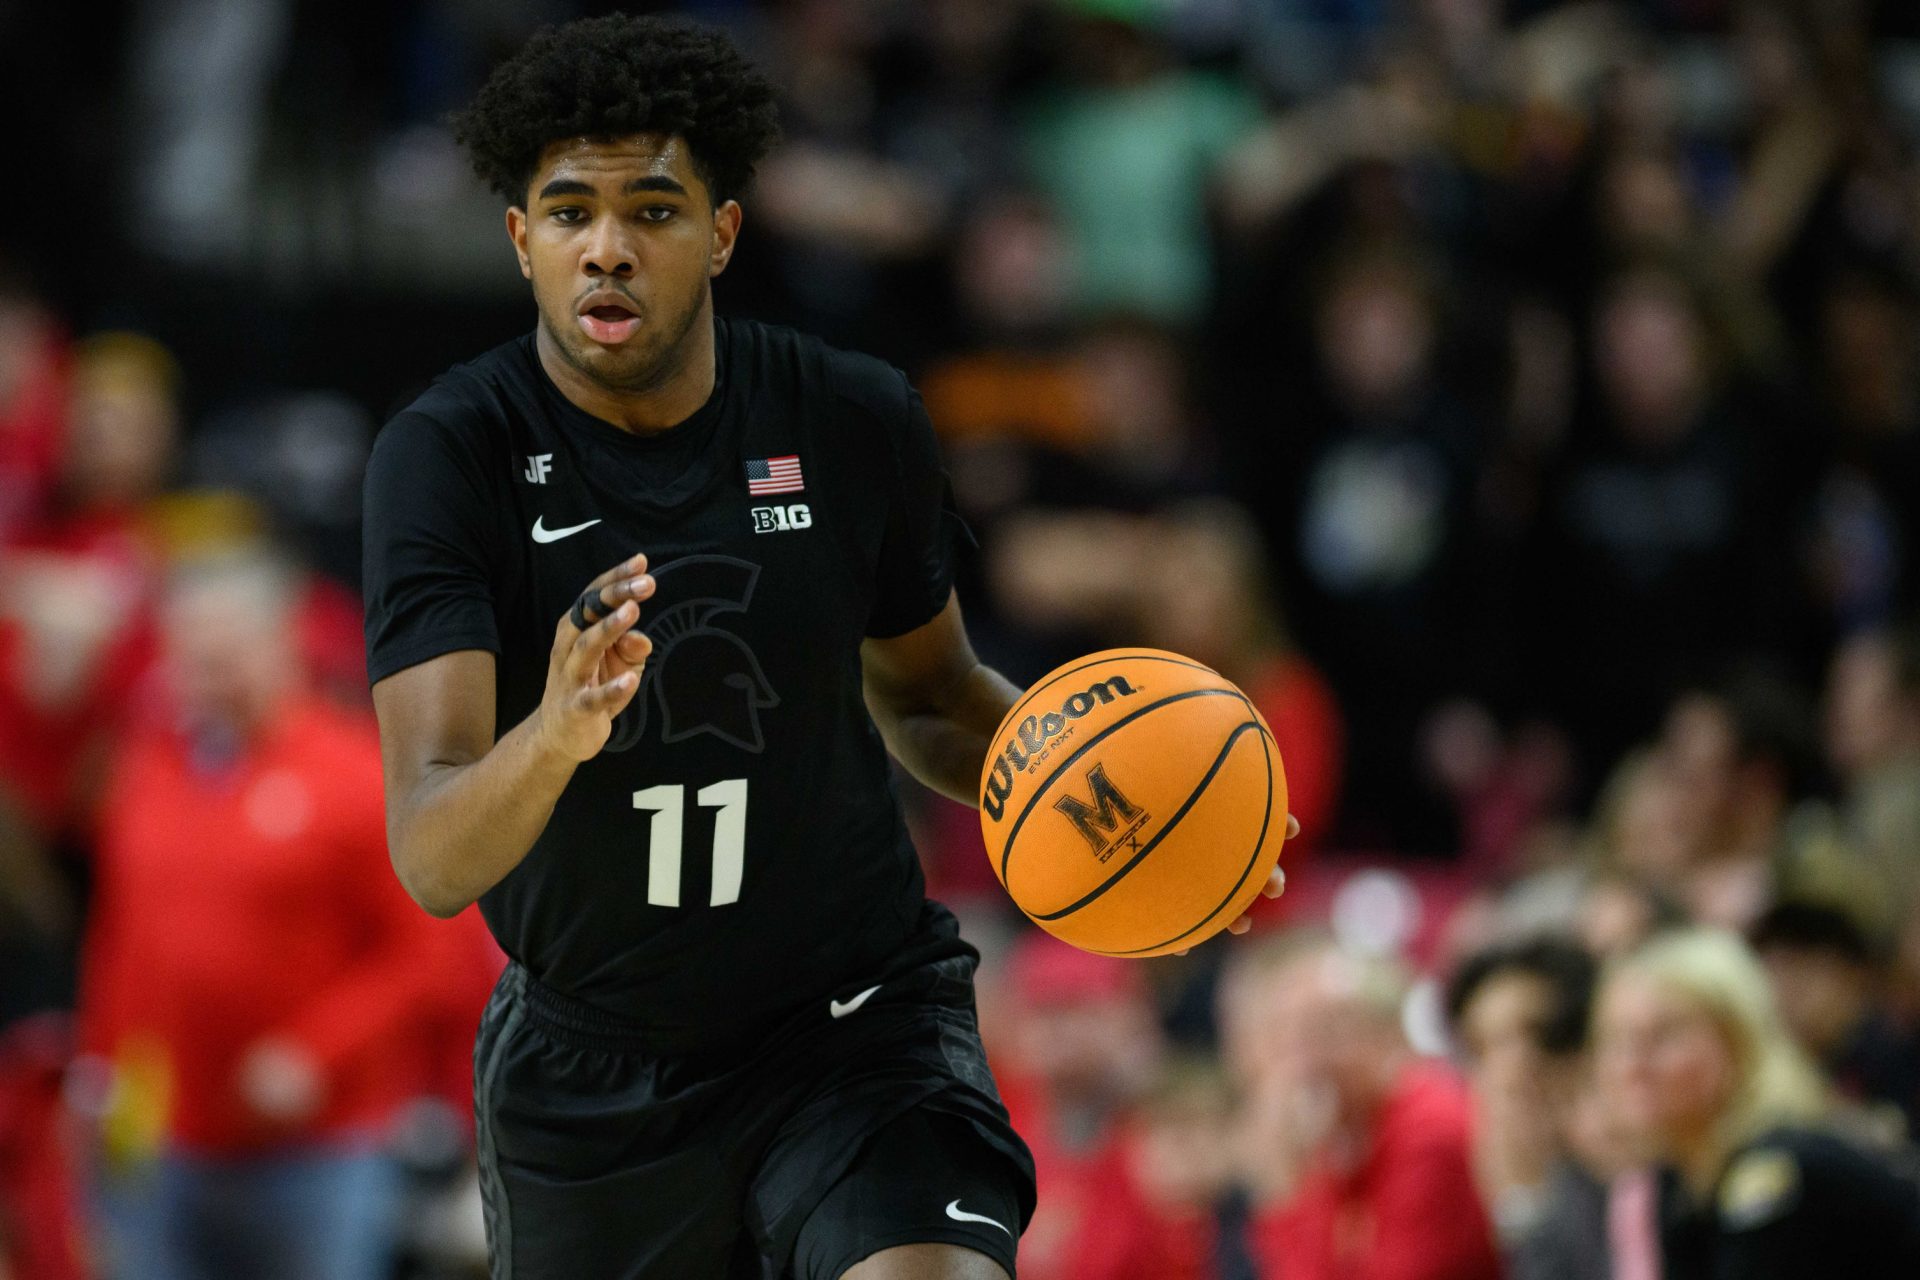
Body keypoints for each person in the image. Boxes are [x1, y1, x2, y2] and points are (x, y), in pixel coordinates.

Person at [359, 16, 1291, 1280]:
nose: (610, 248)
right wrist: (557, 730)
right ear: (522, 241)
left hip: (855, 1022)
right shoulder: (446, 454)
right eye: (570, 211)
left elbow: (936, 697)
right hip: (595, 1071)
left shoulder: (850, 415)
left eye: (654, 209)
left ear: (725, 232)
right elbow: (431, 849)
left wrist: (1141, 819)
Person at [75, 550, 485, 1280]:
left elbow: (432, 953)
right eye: (191, 659)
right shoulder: (149, 765)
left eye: (224, 657)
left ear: (283, 642)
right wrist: (101, 1063)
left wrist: (315, 1050)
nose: (205, 680)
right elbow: (125, 933)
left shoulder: (354, 774)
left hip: (321, 1148)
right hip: (170, 1139)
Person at [1592, 928, 1920, 1280]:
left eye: (1663, 1036)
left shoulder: (1778, 1167)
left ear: (1738, 1042)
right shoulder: (1676, 1187)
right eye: (1617, 1039)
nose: (1633, 1064)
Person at [1224, 936, 1501, 1280]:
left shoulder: (1430, 1129)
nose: (1303, 1066)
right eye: (1288, 1042)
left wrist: (1287, 1192)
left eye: (1325, 1032)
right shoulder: (1347, 1133)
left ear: (1385, 1034)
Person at [1445, 935, 1611, 1280]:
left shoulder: (1633, 1160)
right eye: (1484, 1047)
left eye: (1533, 1033)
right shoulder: (1484, 1163)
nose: (1510, 1067)